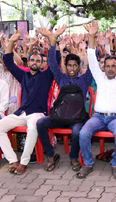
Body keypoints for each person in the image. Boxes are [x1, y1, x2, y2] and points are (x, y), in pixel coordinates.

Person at [0, 29, 58, 175]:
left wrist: (51, 38)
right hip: (21, 113)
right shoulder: (23, 75)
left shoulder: (46, 76)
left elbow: (55, 61)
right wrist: (11, 42)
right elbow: (8, 62)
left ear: (42, 64)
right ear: (28, 62)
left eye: (38, 61)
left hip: (37, 114)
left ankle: (23, 162)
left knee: (33, 127)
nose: (35, 62)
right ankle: (12, 160)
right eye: (32, 60)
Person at [77, 20, 116, 180]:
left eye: (113, 66)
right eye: (107, 66)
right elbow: (91, 57)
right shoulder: (99, 77)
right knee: (83, 133)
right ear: (104, 68)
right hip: (98, 116)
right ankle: (87, 163)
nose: (110, 68)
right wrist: (92, 36)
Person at [36, 26, 93, 172]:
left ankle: (73, 157)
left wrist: (91, 43)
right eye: (69, 65)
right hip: (60, 116)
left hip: (77, 118)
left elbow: (93, 65)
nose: (72, 68)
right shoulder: (61, 78)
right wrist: (53, 39)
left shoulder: (85, 80)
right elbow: (52, 62)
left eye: (75, 65)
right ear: (66, 66)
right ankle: (50, 155)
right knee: (41, 123)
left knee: (76, 132)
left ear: (79, 66)